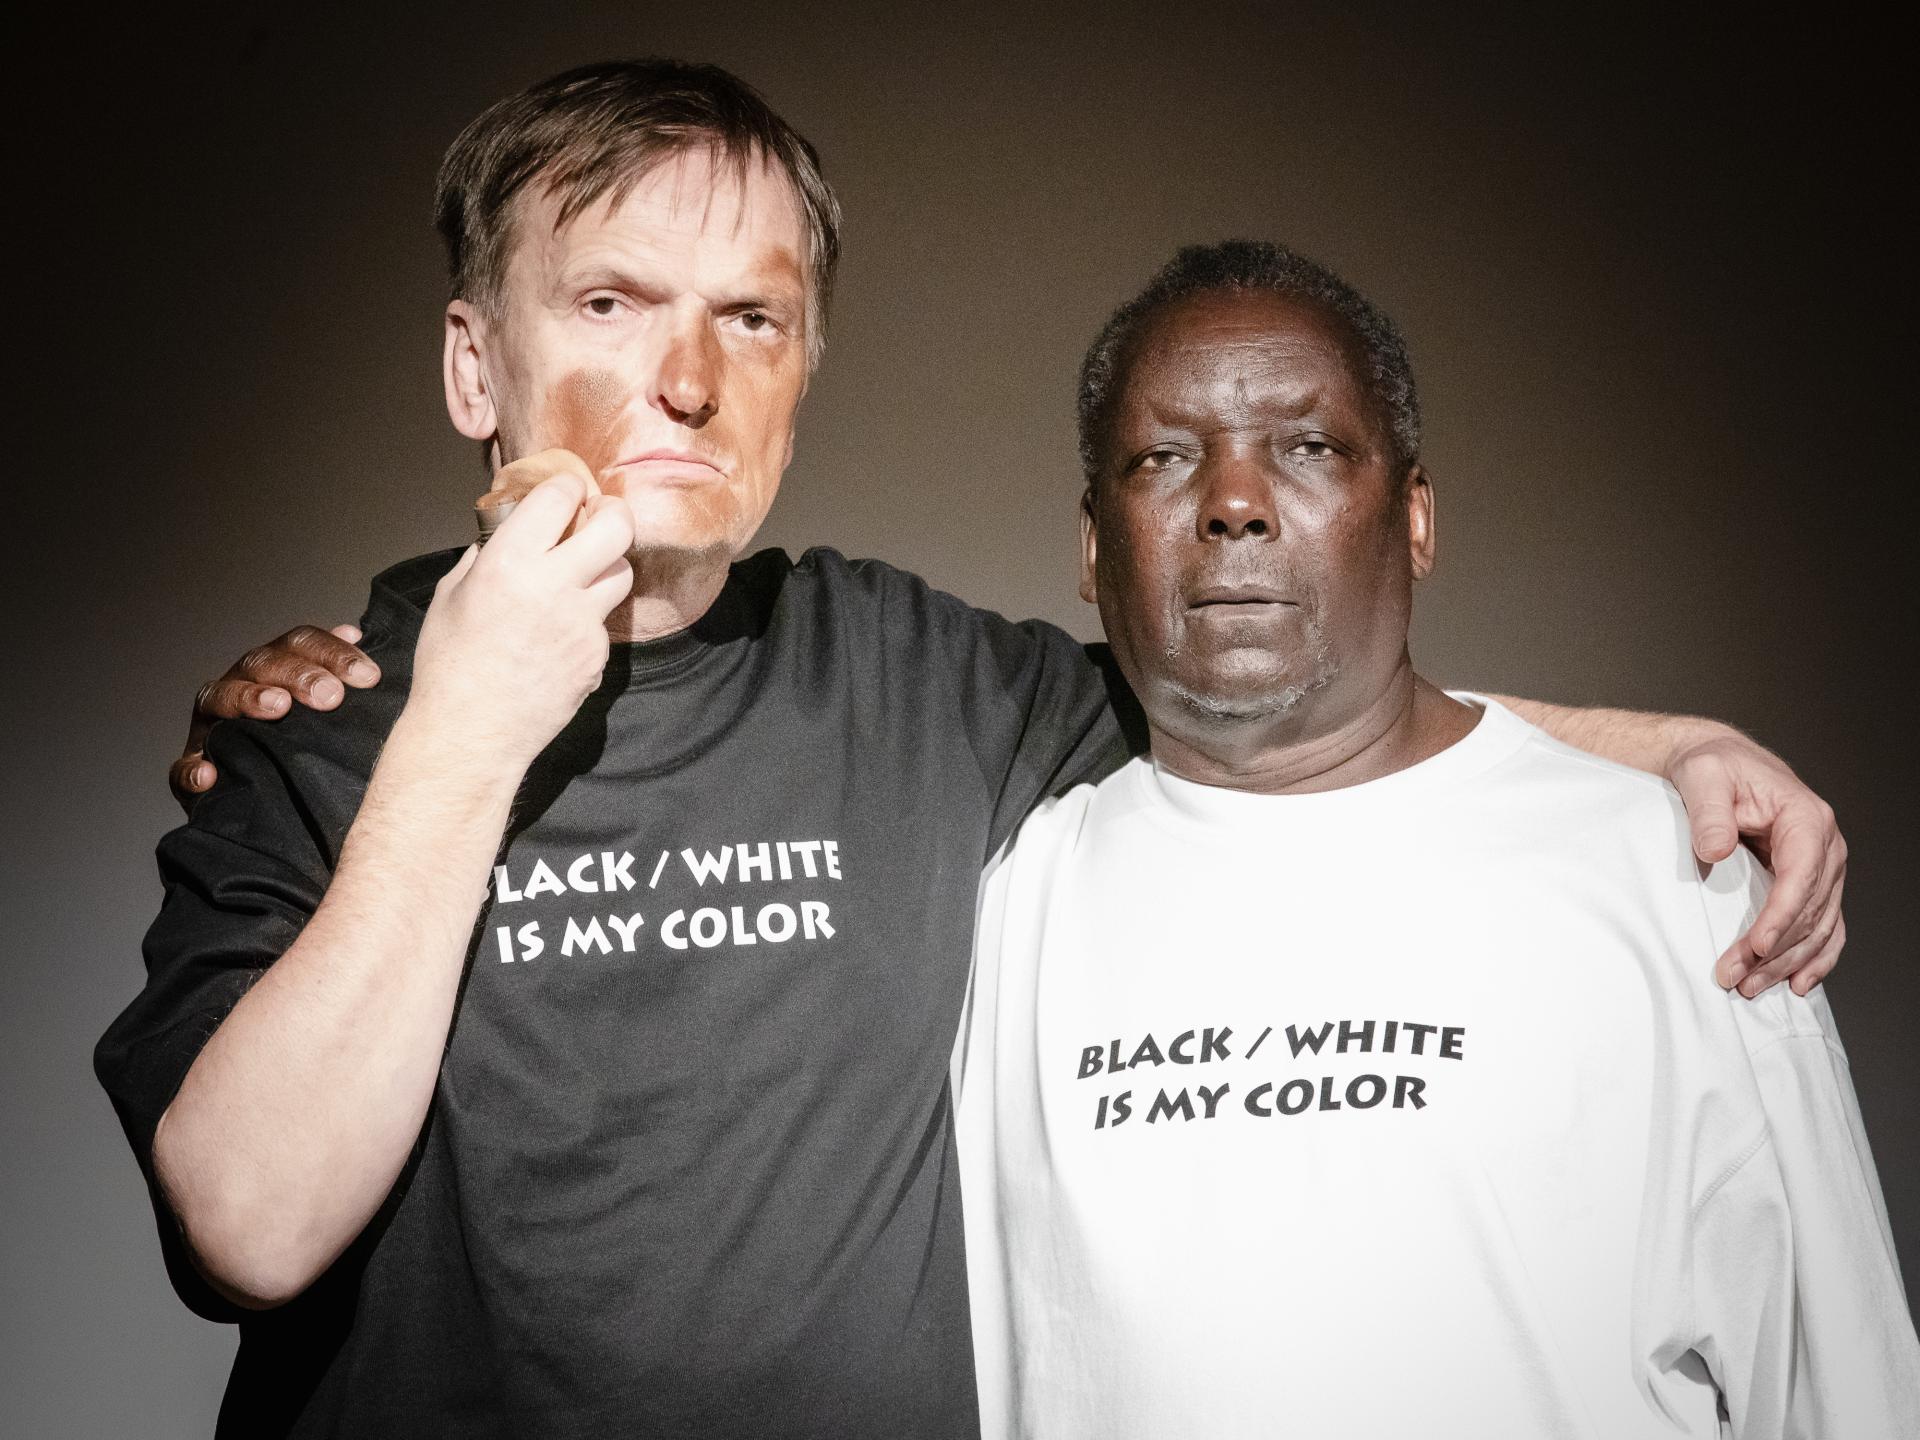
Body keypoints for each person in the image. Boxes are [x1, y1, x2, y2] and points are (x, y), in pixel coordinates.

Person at [101, 60, 1847, 1438]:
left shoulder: (911, 679)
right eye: (613, 302)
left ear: (802, 373)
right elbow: (248, 1227)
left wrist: (1668, 743)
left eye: (752, 318)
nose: (689, 379)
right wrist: (462, 735)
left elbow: (1279, 694)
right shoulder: (314, 738)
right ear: (476, 367)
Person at [952, 240, 1917, 1438]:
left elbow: (1848, 1397)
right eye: (1165, 458)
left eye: (1307, 448)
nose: (1235, 503)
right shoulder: (1005, 905)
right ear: (1095, 547)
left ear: (1413, 519)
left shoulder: (1680, 879)